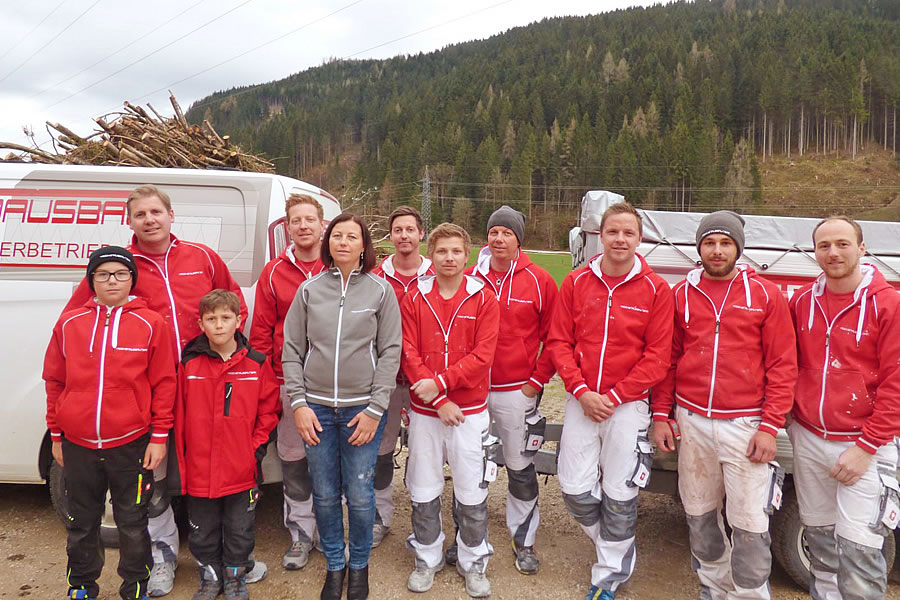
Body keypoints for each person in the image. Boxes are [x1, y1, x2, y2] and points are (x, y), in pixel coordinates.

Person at [62, 184, 252, 596]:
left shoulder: (200, 256)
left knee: (213, 464)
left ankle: (229, 556)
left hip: (204, 380)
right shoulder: (122, 266)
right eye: (140, 214)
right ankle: (163, 557)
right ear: (129, 222)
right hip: (153, 389)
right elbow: (77, 316)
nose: (149, 220)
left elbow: (234, 299)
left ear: (170, 214)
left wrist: (223, 346)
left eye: (155, 212)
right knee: (156, 479)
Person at [652, 210, 797, 600]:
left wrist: (770, 426)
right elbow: (668, 360)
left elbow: (783, 365)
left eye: (725, 243)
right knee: (699, 514)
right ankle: (713, 588)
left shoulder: (764, 295)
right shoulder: (681, 293)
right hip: (692, 419)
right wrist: (661, 415)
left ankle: (749, 595)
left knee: (749, 523)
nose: (717, 251)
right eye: (710, 243)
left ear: (738, 248)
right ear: (698, 248)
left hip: (746, 424)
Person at [546, 202, 674, 600]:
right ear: (600, 236)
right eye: (613, 232)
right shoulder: (577, 281)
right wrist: (582, 391)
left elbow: (659, 356)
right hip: (582, 400)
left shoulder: (656, 289)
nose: (620, 239)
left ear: (640, 239)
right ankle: (617, 550)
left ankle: (608, 578)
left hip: (627, 407)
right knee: (573, 489)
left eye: (628, 233)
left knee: (620, 495)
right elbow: (558, 342)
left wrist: (616, 396)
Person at [43, 246, 176, 600]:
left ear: (132, 279)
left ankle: (135, 588)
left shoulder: (151, 323)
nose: (112, 280)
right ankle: (82, 586)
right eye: (103, 274)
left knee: (132, 524)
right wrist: (57, 434)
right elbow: (54, 380)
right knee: (81, 524)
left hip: (130, 443)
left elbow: (165, 382)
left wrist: (158, 436)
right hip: (78, 444)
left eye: (120, 273)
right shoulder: (69, 323)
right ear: (92, 281)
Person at [282, 213, 402, 600]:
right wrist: (299, 404)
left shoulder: (380, 291)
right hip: (316, 410)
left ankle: (358, 566)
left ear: (364, 245)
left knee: (361, 493)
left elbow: (390, 353)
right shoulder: (309, 290)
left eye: (352, 237)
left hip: (360, 412)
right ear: (327, 243)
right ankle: (335, 565)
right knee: (326, 493)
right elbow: (292, 351)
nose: (344, 242)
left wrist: (375, 409)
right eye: (337, 236)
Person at [788, 216, 900, 599]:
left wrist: (866, 447)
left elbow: (896, 385)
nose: (833, 252)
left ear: (862, 248)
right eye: (824, 246)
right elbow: (786, 366)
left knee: (861, 555)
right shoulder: (802, 302)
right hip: (808, 436)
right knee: (821, 549)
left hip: (864, 445)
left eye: (843, 244)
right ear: (814, 252)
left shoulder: (889, 305)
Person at [400, 223, 500, 598]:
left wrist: (441, 385)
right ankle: (427, 557)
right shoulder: (415, 296)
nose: (449, 258)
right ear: (432, 253)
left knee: (471, 488)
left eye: (456, 251)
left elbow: (483, 356)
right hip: (427, 412)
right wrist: (438, 400)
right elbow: (407, 351)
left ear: (468, 255)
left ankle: (474, 560)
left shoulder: (483, 297)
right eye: (442, 251)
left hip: (469, 411)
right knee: (423, 486)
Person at [465, 204, 558, 574]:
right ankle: (469, 537)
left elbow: (556, 338)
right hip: (472, 391)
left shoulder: (540, 281)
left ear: (518, 238)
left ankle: (525, 539)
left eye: (507, 232)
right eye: (493, 232)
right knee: (472, 462)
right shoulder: (471, 276)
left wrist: (535, 382)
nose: (499, 238)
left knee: (520, 466)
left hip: (515, 390)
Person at [176, 290, 280, 600]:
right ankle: (210, 578)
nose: (219, 325)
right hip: (199, 470)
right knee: (202, 531)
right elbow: (178, 413)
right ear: (200, 324)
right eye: (211, 319)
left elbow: (269, 412)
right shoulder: (188, 364)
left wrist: (253, 450)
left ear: (239, 320)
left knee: (239, 530)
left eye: (225, 318)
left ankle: (235, 577)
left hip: (240, 470)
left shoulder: (257, 365)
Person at [249, 193, 326, 570]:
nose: (304, 226)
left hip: (333, 386)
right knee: (293, 460)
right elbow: (261, 333)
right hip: (287, 382)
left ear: (322, 224)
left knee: (328, 463)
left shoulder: (339, 267)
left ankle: (327, 531)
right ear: (288, 227)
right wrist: (268, 384)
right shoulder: (274, 272)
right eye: (296, 220)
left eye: (310, 219)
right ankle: (299, 533)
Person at [371, 205, 434, 547]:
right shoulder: (377, 277)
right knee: (381, 450)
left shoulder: (438, 273)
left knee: (428, 452)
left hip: (427, 382)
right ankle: (381, 516)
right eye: (398, 230)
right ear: (391, 235)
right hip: (389, 380)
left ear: (421, 234)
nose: (405, 236)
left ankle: (425, 521)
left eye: (411, 229)